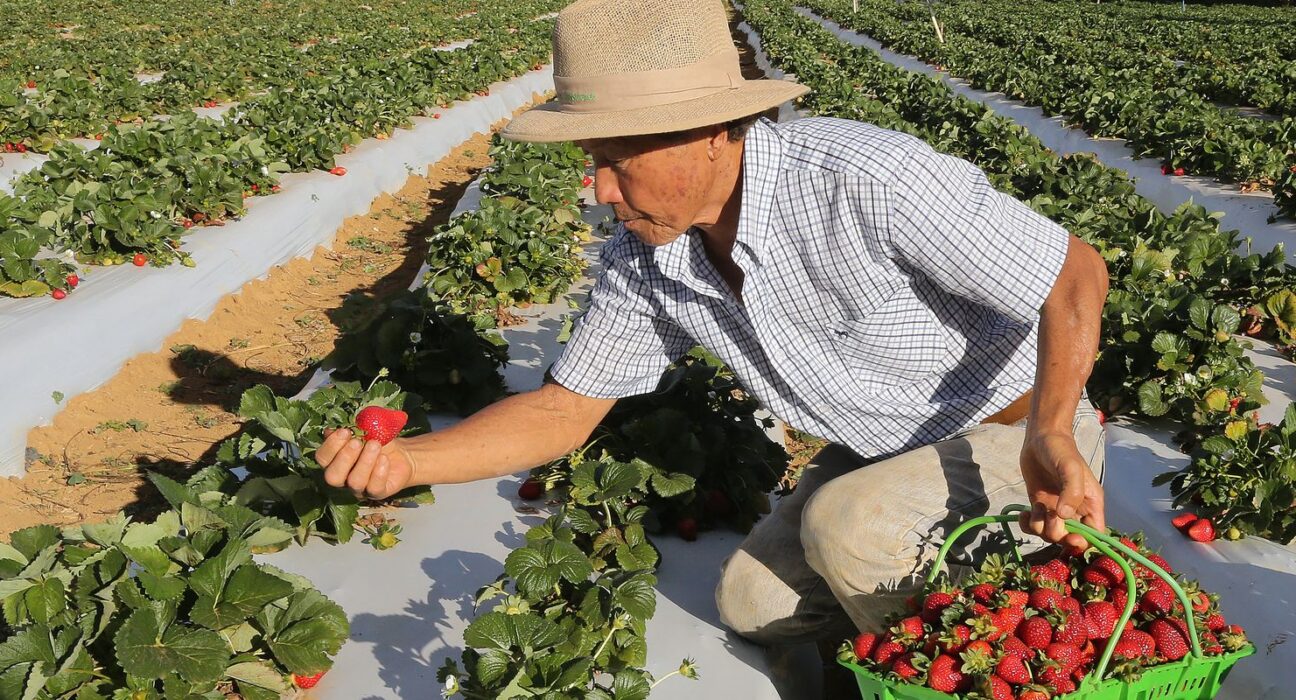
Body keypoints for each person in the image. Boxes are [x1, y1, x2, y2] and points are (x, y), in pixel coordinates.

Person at [317, 0, 1107, 662]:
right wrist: (410, 461)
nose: (597, 191)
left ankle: (1003, 648)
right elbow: (564, 410)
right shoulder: (646, 256)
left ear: (713, 133)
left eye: (618, 160)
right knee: (752, 602)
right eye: (592, 159)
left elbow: (1075, 274)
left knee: (852, 527)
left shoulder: (865, 180)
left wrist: (1053, 432)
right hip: (886, 453)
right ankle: (909, 639)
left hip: (1015, 434)